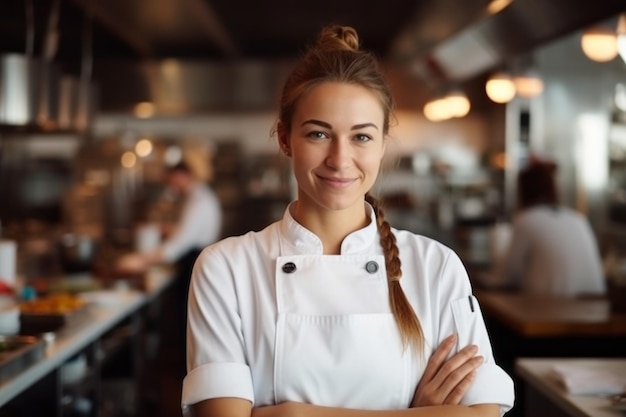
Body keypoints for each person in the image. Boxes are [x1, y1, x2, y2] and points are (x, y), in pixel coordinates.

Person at [182, 25, 514, 417]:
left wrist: (293, 413)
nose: (340, 160)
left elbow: (482, 413)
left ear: (383, 143)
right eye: (319, 134)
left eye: (361, 137)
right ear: (285, 139)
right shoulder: (226, 268)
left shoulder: (436, 267)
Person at [494, 157, 606, 297]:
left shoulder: (526, 220)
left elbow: (509, 274)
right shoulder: (577, 218)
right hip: (597, 307)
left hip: (553, 308)